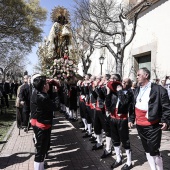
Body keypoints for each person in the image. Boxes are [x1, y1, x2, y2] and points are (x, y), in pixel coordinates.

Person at [128, 67, 170, 170]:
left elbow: (166, 107)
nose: (137, 77)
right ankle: (153, 168)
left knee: (153, 150)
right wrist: (131, 119)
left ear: (146, 75)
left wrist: (165, 120)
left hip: (153, 126)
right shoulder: (137, 90)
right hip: (140, 125)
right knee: (146, 149)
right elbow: (133, 106)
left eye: (139, 75)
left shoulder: (159, 89)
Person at [30, 75, 58, 170]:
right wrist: (55, 93)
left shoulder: (40, 93)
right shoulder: (43, 97)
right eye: (46, 83)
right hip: (42, 126)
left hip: (43, 124)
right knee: (40, 151)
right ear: (43, 86)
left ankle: (41, 167)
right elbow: (55, 106)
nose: (48, 84)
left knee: (43, 150)